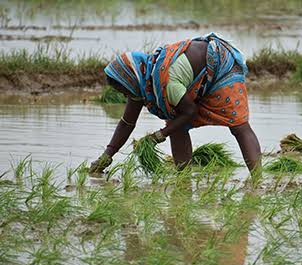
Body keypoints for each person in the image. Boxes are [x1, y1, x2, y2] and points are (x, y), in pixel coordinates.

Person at [89, 33, 261, 174]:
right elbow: (127, 123)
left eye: (125, 90)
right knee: (176, 123)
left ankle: (258, 181)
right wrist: (107, 156)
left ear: (132, 79)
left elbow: (190, 112)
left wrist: (159, 135)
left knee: (239, 125)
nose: (127, 95)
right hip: (197, 76)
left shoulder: (167, 81)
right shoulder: (141, 81)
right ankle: (183, 178)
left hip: (221, 64)